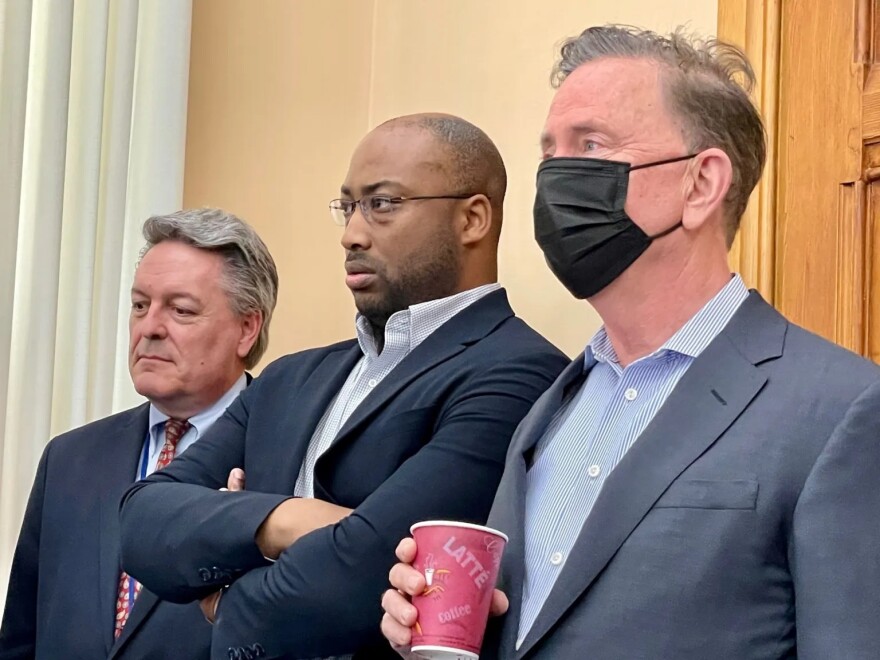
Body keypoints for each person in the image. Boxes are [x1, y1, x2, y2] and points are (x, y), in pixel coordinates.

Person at [381, 26, 880, 659]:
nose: (557, 179)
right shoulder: (551, 408)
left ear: (700, 185)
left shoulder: (843, 409)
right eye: (550, 154)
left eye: (591, 145)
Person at [118, 113, 569, 659]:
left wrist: (224, 596)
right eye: (348, 206)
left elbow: (360, 573)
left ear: (472, 218)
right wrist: (285, 520)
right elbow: (142, 521)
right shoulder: (290, 379)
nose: (352, 234)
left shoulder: (521, 372)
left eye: (382, 204)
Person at [0, 208, 279, 660]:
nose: (149, 328)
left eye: (181, 310)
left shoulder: (289, 459)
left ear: (247, 329)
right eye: (139, 305)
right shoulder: (69, 459)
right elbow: (20, 638)